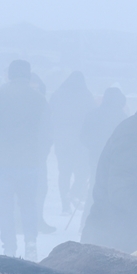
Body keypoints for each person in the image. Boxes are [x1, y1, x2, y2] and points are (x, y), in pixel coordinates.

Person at [81, 87, 137, 251]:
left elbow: (84, 135)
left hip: (116, 231)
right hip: (112, 236)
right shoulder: (135, 132)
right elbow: (122, 190)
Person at [0, 60, 50, 260]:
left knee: (4, 206)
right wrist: (40, 154)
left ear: (10, 75)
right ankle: (31, 242)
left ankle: (9, 247)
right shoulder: (39, 98)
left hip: (3, 161)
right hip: (30, 162)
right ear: (28, 76)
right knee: (29, 204)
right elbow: (48, 131)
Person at [50, 71, 95, 215]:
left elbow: (50, 116)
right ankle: (74, 192)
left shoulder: (57, 95)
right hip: (81, 142)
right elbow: (91, 118)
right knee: (81, 172)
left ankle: (65, 205)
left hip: (62, 140)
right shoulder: (87, 96)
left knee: (64, 173)